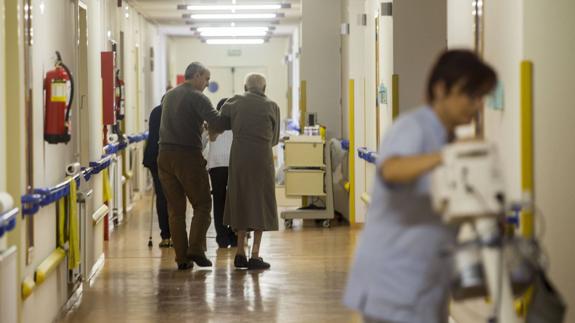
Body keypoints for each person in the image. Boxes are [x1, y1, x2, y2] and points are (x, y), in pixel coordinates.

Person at [343, 49, 497, 323]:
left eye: (481, 97)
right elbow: (391, 169)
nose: (476, 105)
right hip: (393, 286)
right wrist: (447, 156)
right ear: (440, 90)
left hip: (425, 285)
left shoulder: (446, 138)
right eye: (469, 95)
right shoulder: (414, 127)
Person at [157, 62, 227, 270]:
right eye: (206, 79)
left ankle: (182, 259)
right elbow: (219, 123)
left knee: (176, 211)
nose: (207, 84)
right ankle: (195, 248)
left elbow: (179, 121)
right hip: (187, 155)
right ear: (196, 76)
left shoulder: (169, 95)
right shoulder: (198, 96)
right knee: (203, 204)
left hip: (164, 156)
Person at [219, 73, 280, 270]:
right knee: (261, 201)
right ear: (265, 88)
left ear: (245, 87)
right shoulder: (272, 106)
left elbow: (220, 121)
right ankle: (255, 254)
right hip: (262, 159)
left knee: (240, 199)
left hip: (239, 159)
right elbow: (275, 139)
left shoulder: (234, 101)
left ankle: (239, 252)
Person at [207, 98, 237, 248]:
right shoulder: (237, 123)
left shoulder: (212, 124)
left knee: (218, 201)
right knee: (234, 202)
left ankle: (222, 237)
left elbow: (205, 144)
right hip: (234, 164)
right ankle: (234, 236)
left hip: (216, 165)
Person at [143, 95, 171, 248]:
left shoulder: (155, 112)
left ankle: (165, 236)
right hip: (169, 157)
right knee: (173, 196)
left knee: (161, 196)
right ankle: (173, 234)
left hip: (153, 158)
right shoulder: (173, 112)